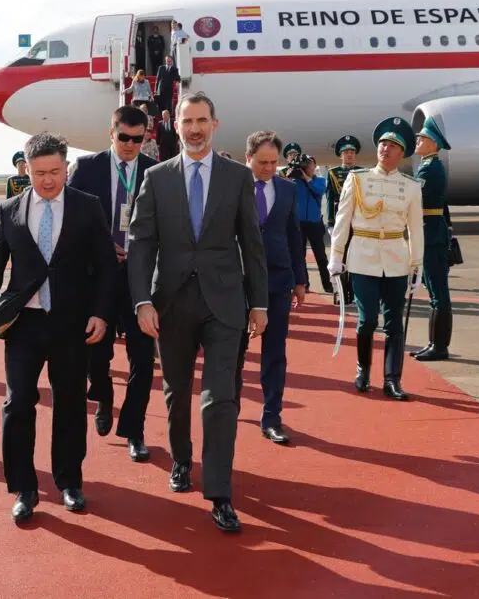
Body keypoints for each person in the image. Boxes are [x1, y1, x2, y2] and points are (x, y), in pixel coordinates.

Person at [128, 92, 268, 533]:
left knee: (220, 396)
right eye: (187, 121)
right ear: (176, 126)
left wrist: (259, 302)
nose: (194, 129)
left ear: (215, 124)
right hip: (170, 302)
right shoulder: (156, 178)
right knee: (176, 391)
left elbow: (251, 241)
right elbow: (141, 243)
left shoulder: (237, 177)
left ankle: (220, 493)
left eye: (202, 120)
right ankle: (182, 459)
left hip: (224, 301)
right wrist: (142, 301)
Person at [0, 134, 117, 524]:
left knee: (70, 403)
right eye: (39, 173)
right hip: (24, 324)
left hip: (72, 323)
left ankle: (69, 482)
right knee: (18, 402)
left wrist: (102, 314)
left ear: (66, 168)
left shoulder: (88, 207)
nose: (48, 180)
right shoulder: (9, 210)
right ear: (27, 169)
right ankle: (24, 488)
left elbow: (107, 266)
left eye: (55, 171)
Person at [67, 106, 158, 462]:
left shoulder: (155, 171)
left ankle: (134, 429)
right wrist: (104, 245)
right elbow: (72, 219)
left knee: (143, 359)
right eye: (124, 137)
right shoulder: (86, 168)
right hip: (98, 276)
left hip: (140, 278)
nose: (131, 145)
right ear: (111, 133)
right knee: (97, 354)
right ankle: (103, 396)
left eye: (138, 139)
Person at [328, 117, 424, 401]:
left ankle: (392, 379)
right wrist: (336, 255)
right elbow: (343, 219)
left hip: (396, 259)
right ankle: (363, 369)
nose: (385, 149)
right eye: (382, 143)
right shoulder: (358, 179)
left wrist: (416, 265)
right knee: (368, 319)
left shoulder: (411, 186)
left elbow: (415, 229)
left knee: (394, 323)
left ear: (402, 152)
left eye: (392, 145)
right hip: (363, 257)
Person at [243, 131, 306, 445]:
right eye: (262, 162)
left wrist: (300, 280)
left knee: (275, 353)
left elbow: (295, 235)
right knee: (232, 351)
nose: (268, 168)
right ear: (248, 158)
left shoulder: (288, 189)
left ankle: (272, 417)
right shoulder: (233, 186)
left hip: (278, 280)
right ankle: (227, 408)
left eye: (273, 162)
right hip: (238, 280)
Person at [410, 117, 453, 362]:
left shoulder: (429, 168)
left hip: (432, 234)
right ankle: (434, 343)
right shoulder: (429, 165)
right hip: (432, 230)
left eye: (423, 138)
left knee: (438, 293)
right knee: (435, 291)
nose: (418, 141)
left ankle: (439, 346)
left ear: (434, 144)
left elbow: (416, 198)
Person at [326, 135, 363, 304]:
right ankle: (341, 293)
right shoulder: (333, 173)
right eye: (346, 152)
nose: (349, 155)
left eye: (352, 152)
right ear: (341, 155)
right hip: (341, 221)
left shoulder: (363, 172)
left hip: (359, 221)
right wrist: (331, 223)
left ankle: (356, 293)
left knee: (357, 257)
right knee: (339, 256)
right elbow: (330, 199)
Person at [293, 154, 333, 294]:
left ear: (315, 166)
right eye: (306, 165)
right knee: (300, 256)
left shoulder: (320, 181)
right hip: (299, 223)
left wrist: (307, 178)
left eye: (311, 164)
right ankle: (305, 283)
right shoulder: (296, 182)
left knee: (321, 256)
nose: (309, 167)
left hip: (315, 223)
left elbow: (319, 191)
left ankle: (327, 284)